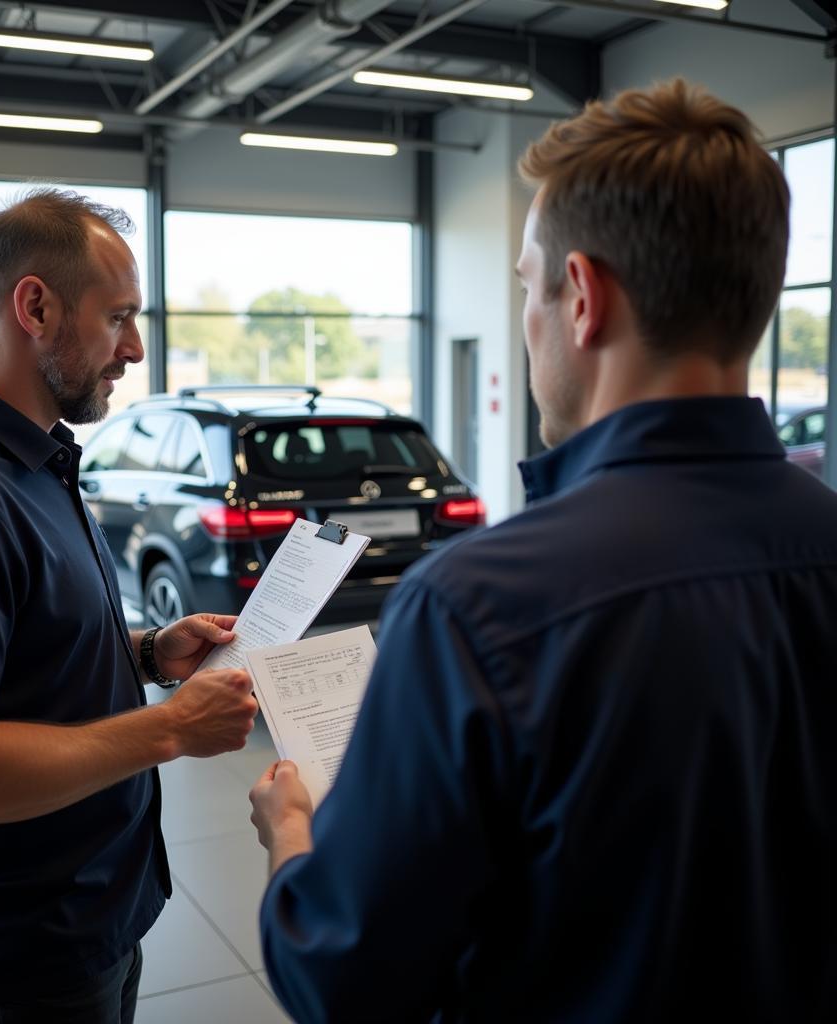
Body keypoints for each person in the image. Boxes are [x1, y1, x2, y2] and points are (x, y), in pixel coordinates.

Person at [249, 80, 837, 1022]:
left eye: (527, 283)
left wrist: (290, 837)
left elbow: (342, 978)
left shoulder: (477, 608)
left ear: (582, 299)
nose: (526, 315)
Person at [0, 189, 259, 1023]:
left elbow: (21, 656)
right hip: (10, 963)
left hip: (88, 922)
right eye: (119, 318)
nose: (135, 348)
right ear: (34, 305)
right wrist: (172, 727)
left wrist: (145, 654)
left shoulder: (34, 459)